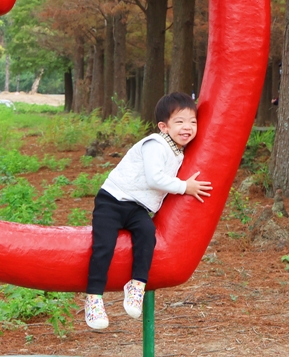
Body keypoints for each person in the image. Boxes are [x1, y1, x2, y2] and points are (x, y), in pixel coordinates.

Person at [84, 92, 212, 330]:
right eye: (180, 122)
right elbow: (155, 179)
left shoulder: (179, 151)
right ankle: (94, 298)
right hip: (113, 200)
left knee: (146, 235)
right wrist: (185, 187)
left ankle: (136, 284)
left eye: (193, 122)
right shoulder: (155, 144)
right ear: (164, 126)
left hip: (138, 208)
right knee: (103, 246)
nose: (188, 127)